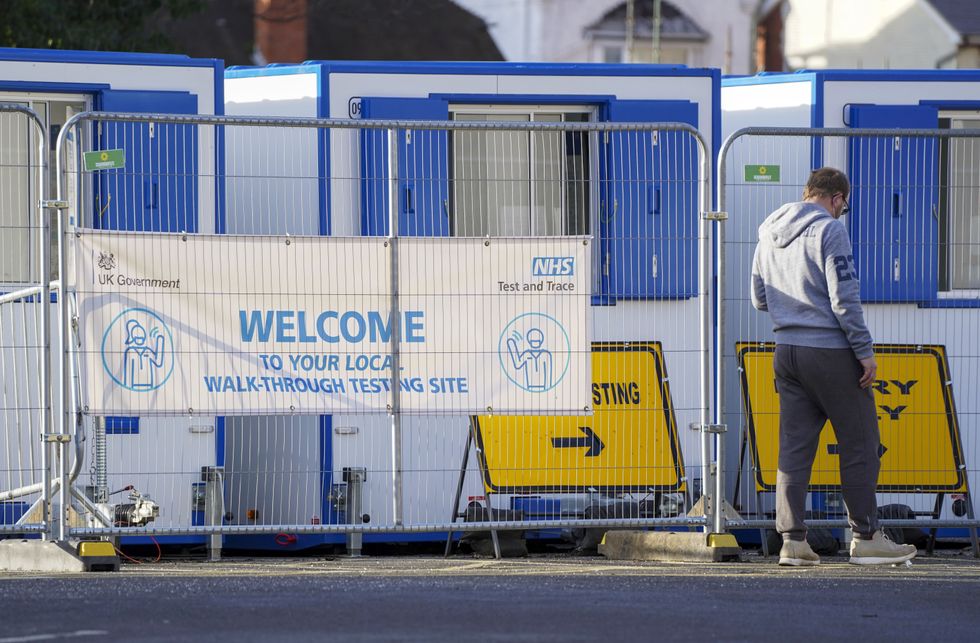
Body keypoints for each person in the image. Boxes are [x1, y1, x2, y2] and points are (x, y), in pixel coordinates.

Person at [751, 167, 917, 567]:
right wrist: (864, 351)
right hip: (829, 352)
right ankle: (866, 537)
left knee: (794, 447)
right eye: (845, 203)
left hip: (786, 350)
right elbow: (844, 298)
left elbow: (759, 298)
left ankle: (792, 542)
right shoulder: (830, 230)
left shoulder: (768, 230)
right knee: (860, 442)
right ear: (838, 198)